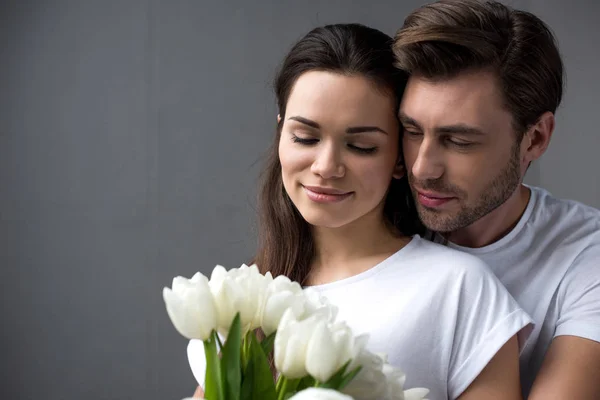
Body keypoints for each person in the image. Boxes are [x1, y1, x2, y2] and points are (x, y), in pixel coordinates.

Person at [189, 23, 532, 399]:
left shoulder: (458, 288)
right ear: (280, 135)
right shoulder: (244, 294)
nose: (326, 166)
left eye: (362, 146)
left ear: (399, 159)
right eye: (305, 137)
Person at [392, 0, 600, 398]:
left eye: (459, 141)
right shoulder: (366, 219)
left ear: (535, 138)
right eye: (412, 130)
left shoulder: (587, 258)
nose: (422, 168)